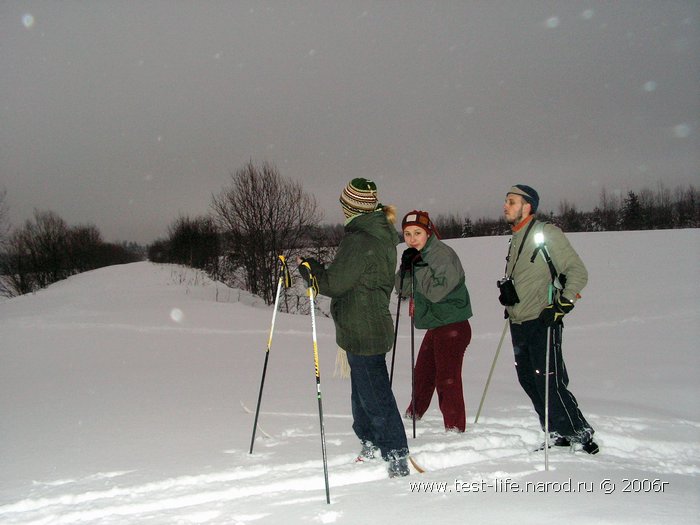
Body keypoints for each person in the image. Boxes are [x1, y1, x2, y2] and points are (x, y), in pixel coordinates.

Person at [297, 178, 410, 478]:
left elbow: (336, 283)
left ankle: (395, 451)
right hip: (365, 324)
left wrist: (312, 270)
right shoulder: (376, 234)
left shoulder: (360, 240)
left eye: (344, 204)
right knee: (363, 391)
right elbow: (352, 278)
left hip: (364, 327)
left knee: (374, 393)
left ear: (351, 207)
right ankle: (370, 440)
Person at [500, 184, 598, 454]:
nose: (505, 206)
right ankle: (556, 431)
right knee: (528, 379)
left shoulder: (546, 233)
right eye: (506, 201)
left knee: (549, 380)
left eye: (511, 201)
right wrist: (510, 297)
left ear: (527, 206)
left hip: (542, 319)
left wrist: (561, 305)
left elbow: (577, 272)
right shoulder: (516, 238)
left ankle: (580, 434)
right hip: (519, 321)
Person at [396, 210, 473, 432]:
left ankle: (455, 427)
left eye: (417, 233)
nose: (412, 239)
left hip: (453, 324)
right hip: (437, 324)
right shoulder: (416, 254)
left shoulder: (442, 255)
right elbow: (401, 289)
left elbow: (437, 292)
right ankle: (414, 413)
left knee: (446, 377)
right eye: (407, 234)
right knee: (423, 372)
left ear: (428, 233)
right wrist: (405, 269)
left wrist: (418, 267)